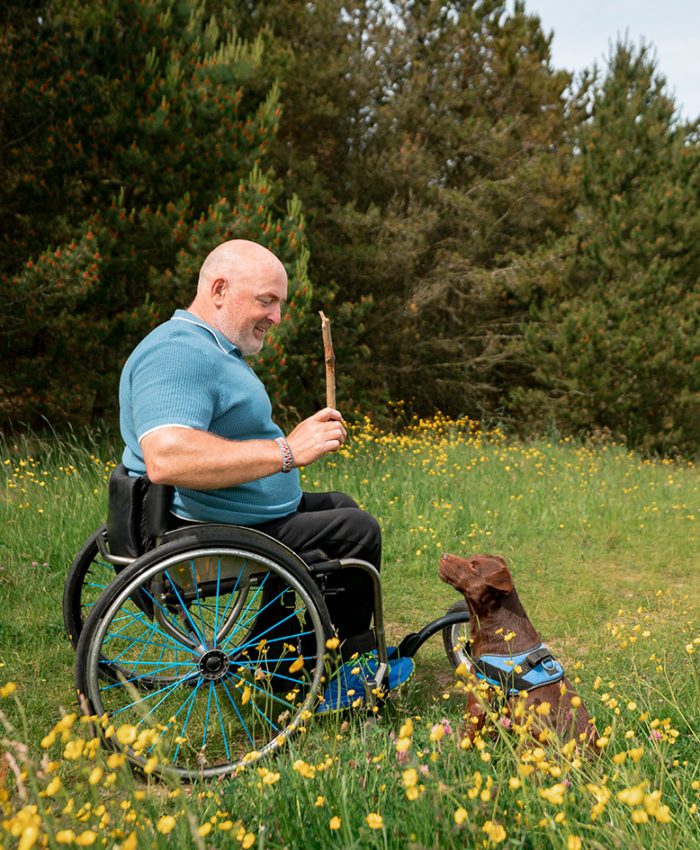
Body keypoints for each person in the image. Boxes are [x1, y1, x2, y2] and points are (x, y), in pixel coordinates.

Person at [118, 238, 380, 657]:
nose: (276, 317)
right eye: (266, 301)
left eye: (279, 303)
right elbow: (167, 457)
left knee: (341, 505)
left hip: (228, 514)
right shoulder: (178, 353)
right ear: (219, 290)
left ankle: (278, 641)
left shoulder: (208, 346)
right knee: (358, 531)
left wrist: (294, 442)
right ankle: (341, 663)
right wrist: (288, 452)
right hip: (209, 530)